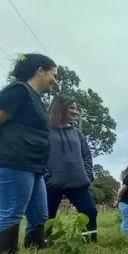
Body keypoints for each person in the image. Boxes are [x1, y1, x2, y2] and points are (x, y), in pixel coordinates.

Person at [0, 53, 57, 254]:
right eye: (53, 75)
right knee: (12, 212)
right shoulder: (18, 91)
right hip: (14, 161)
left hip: (33, 166)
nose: (55, 81)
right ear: (40, 70)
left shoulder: (36, 98)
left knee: (39, 215)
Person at [45, 95, 98, 242]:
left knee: (90, 211)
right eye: (72, 108)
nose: (76, 111)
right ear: (60, 108)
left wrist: (87, 175)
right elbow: (38, 156)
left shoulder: (77, 133)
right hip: (52, 184)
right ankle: (44, 245)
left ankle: (88, 242)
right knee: (47, 216)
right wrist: (47, 178)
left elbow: (87, 156)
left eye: (76, 108)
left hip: (78, 182)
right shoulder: (45, 131)